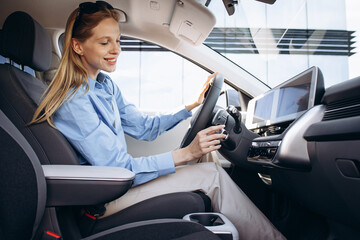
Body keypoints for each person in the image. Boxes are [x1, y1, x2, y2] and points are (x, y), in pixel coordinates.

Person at [30, 1, 285, 239]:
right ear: (78, 46)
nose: (116, 50)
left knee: (204, 160)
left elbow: (143, 127)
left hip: (119, 184)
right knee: (212, 176)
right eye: (104, 42)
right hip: (105, 198)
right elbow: (116, 169)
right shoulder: (74, 101)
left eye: (118, 40)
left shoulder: (104, 86)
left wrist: (192, 105)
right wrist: (185, 153)